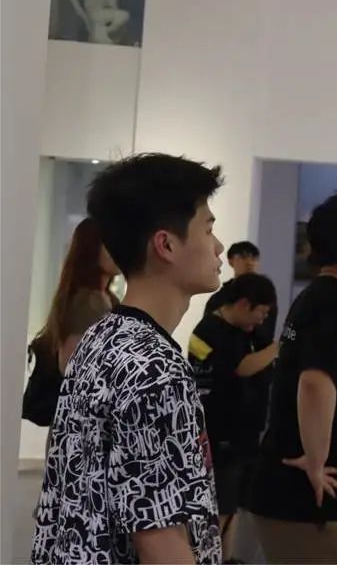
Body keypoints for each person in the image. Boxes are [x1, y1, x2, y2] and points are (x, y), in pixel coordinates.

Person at [32, 153, 225, 565]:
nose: (219, 246)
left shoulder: (101, 338)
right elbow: (160, 540)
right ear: (166, 244)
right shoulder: (155, 368)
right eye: (208, 229)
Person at [248, 192, 337, 565]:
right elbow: (314, 383)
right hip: (307, 504)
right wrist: (316, 462)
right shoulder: (334, 305)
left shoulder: (321, 298)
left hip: (303, 501)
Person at [188, 272, 278, 563]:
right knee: (221, 504)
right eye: (260, 312)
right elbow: (241, 367)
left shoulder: (243, 332)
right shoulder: (210, 331)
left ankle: (227, 557)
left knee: (232, 502)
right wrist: (280, 348)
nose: (262, 320)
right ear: (242, 304)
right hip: (218, 431)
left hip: (240, 433)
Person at [23, 218, 120, 429]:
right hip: (79, 429)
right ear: (91, 250)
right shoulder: (86, 302)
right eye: (109, 244)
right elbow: (70, 368)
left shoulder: (106, 299)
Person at [204, 240, 279, 455]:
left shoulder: (265, 296)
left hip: (255, 390)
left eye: (254, 257)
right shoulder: (218, 303)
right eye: (243, 256)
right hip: (224, 399)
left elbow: (263, 338)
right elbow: (236, 362)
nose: (250, 262)